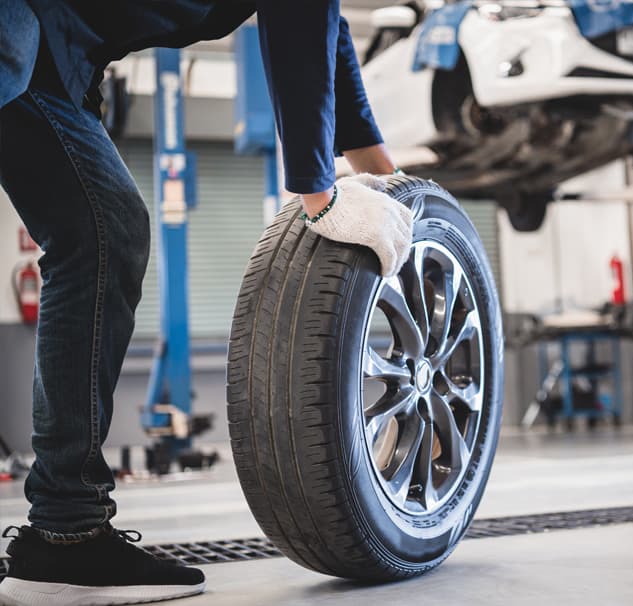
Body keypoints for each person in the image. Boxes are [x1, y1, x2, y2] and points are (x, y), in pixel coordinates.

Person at [0, 1, 413, 604]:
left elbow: (323, 29)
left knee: (103, 232)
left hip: (51, 54)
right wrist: (319, 194)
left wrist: (388, 181)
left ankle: (66, 531)